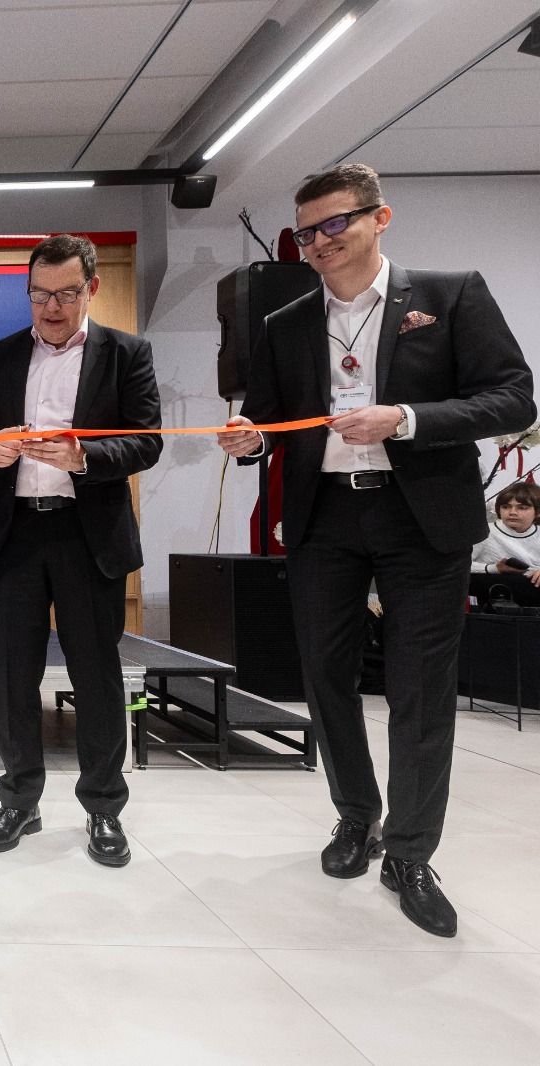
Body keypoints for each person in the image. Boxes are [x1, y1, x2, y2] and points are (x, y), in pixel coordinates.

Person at [217, 163, 535, 937]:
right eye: (307, 232)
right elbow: (270, 421)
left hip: (421, 518)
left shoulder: (450, 296)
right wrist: (251, 439)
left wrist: (407, 420)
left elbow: (512, 398)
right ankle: (356, 815)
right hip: (324, 520)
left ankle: (411, 852)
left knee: (419, 689)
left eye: (336, 223)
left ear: (378, 218)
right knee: (326, 678)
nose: (320, 242)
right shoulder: (285, 322)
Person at [0, 234, 162, 867]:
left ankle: (103, 807)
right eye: (38, 295)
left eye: (65, 295)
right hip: (14, 534)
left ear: (90, 289)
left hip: (86, 536)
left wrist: (84, 456)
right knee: (15, 675)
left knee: (96, 677)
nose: (50, 308)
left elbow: (146, 441)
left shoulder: (126, 354)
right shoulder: (0, 354)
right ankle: (20, 800)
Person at [472, 480, 540, 585]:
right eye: (506, 507)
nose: (512, 512)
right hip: (493, 589)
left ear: (538, 512)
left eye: (522, 508)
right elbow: (456, 565)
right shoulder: (485, 532)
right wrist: (493, 568)